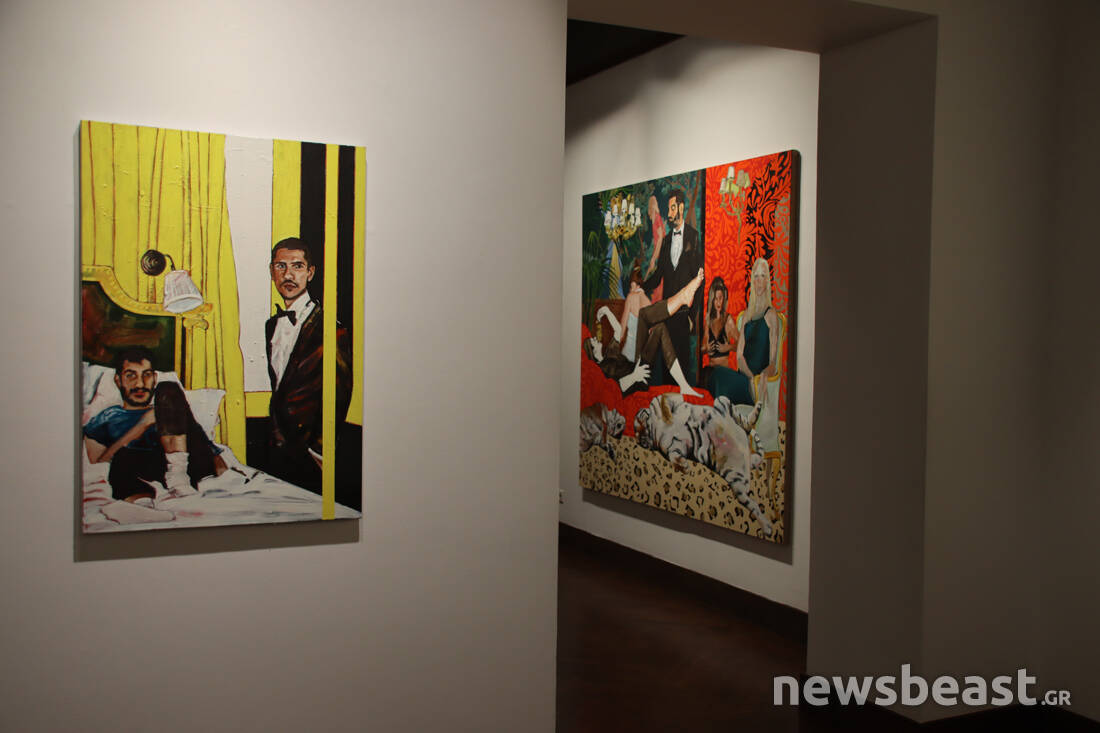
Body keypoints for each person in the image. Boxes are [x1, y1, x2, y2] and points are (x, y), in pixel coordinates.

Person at [265, 237, 352, 493]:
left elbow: (340, 394)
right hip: (279, 449)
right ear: (271, 271)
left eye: (297, 266)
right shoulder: (271, 326)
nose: (288, 275)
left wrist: (320, 451)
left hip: (312, 456)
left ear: (310, 273)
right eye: (281, 266)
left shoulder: (331, 330)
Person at [83, 347, 225, 502]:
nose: (140, 384)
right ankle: (145, 503)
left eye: (147, 375)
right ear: (118, 380)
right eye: (130, 375)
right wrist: (142, 425)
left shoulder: (170, 406)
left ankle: (178, 478)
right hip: (139, 472)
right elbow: (100, 466)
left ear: (155, 378)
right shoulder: (106, 418)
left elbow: (203, 447)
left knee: (168, 389)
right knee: (121, 460)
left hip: (187, 470)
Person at [585, 267, 704, 397]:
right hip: (635, 379)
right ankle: (682, 297)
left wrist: (607, 311)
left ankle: (684, 385)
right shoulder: (601, 369)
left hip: (639, 365)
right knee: (644, 315)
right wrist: (634, 376)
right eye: (593, 342)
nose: (595, 338)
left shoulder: (609, 352)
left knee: (659, 326)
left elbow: (619, 331)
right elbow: (615, 388)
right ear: (593, 353)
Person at [642, 189, 703, 385]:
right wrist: (641, 286)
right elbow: (658, 274)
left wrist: (692, 316)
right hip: (667, 312)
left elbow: (699, 280)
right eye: (668, 209)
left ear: (681, 207)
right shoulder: (667, 240)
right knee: (667, 367)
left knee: (682, 367)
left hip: (684, 314)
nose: (669, 213)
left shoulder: (694, 237)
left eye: (672, 208)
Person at [704, 276, 738, 368]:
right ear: (712, 300)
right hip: (711, 370)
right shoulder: (708, 320)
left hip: (724, 371)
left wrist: (728, 347)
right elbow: (701, 348)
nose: (718, 302)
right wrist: (706, 349)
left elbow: (741, 344)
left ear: (724, 298)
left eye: (720, 298)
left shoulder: (728, 320)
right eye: (715, 298)